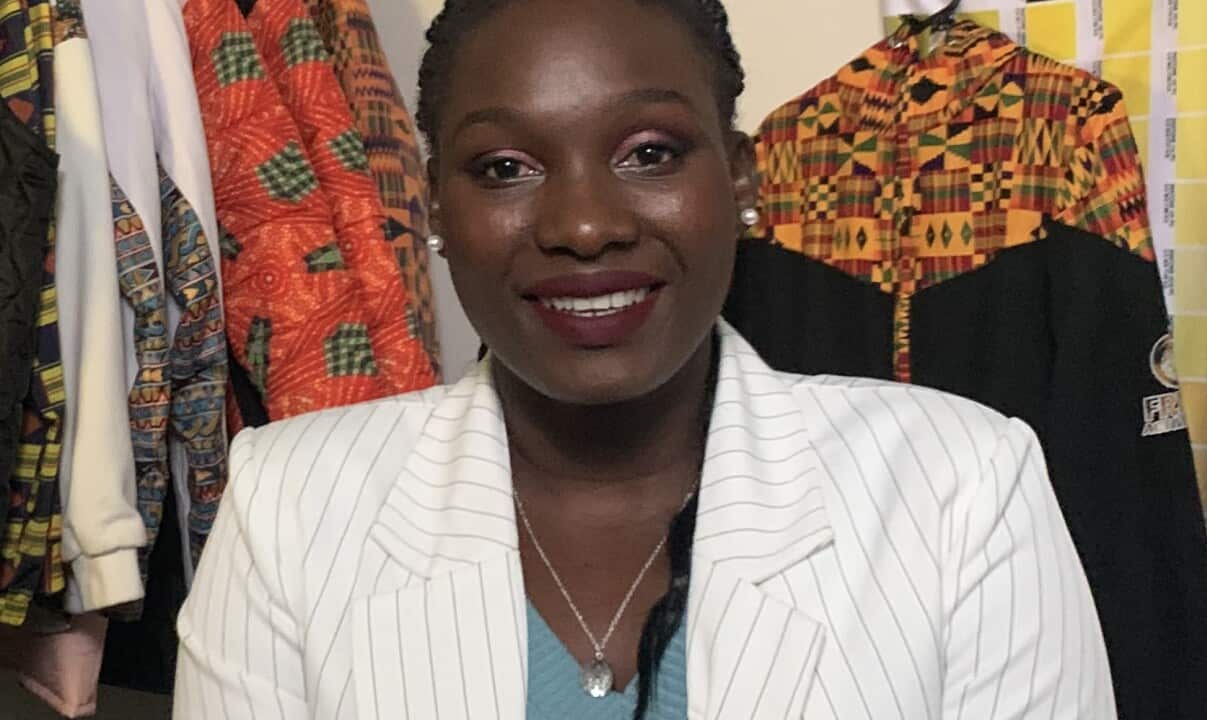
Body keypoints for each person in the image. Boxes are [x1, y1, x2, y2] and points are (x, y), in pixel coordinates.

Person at [172, 0, 1115, 717]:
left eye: (649, 153)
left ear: (740, 177)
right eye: (505, 167)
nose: (584, 226)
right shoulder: (286, 506)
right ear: (433, 209)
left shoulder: (962, 487)